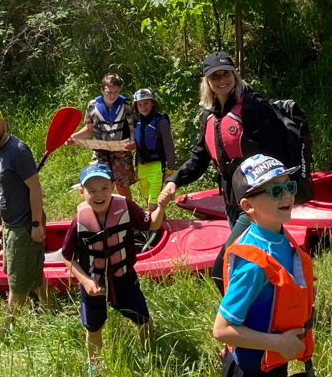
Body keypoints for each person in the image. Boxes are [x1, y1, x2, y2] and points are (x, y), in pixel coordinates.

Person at [186, 154, 313, 377]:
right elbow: (222, 329)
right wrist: (279, 343)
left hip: (274, 359)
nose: (286, 195)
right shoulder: (254, 261)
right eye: (273, 191)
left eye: (288, 186)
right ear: (248, 205)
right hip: (248, 372)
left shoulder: (280, 237)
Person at [166, 51, 290, 290]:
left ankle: (233, 321)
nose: (222, 80)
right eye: (215, 76)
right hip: (231, 198)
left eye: (226, 74)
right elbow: (199, 157)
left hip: (258, 199)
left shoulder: (255, 106)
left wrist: (272, 198)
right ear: (207, 82)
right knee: (248, 260)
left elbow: (277, 156)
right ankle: (266, 312)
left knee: (223, 268)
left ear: (235, 75)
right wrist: (175, 180)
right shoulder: (209, 114)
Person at [62, 162, 177, 371]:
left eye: (104, 188)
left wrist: (161, 206)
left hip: (123, 276)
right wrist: (86, 281)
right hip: (93, 283)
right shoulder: (79, 220)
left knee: (144, 321)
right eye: (92, 190)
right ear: (82, 192)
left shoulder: (125, 207)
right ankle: (94, 367)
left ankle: (148, 357)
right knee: (93, 328)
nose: (99, 195)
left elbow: (151, 224)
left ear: (113, 187)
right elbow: (67, 257)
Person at [0, 107, 48, 313]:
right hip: (10, 223)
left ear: (4, 123)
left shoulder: (17, 151)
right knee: (31, 270)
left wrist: (36, 224)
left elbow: (35, 188)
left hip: (25, 224)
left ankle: (10, 327)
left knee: (16, 282)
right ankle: (50, 309)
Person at [71, 73, 138, 200]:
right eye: (109, 92)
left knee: (122, 185)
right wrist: (74, 137)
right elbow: (89, 129)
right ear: (102, 90)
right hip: (100, 152)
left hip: (121, 151)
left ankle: (129, 212)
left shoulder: (126, 104)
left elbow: (132, 128)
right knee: (99, 182)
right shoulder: (92, 105)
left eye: (116, 92)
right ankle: (102, 211)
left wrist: (133, 141)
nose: (112, 96)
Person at [132, 87, 177, 209]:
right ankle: (160, 225)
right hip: (142, 167)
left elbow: (169, 146)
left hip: (156, 166)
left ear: (152, 103)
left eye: (146, 103)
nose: (143, 107)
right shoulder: (138, 122)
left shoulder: (160, 121)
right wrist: (136, 168)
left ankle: (158, 227)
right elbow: (139, 148)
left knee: (154, 205)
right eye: (139, 104)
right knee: (149, 202)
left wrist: (170, 170)